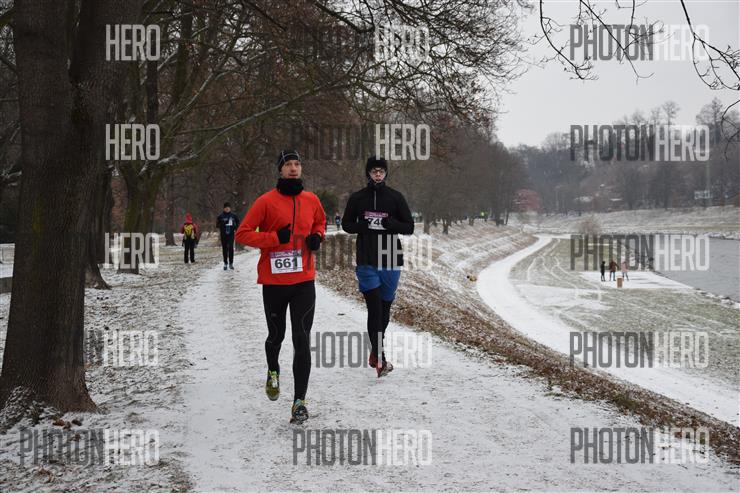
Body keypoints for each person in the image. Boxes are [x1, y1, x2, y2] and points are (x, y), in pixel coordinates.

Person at [235, 150, 326, 424]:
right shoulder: (265, 201)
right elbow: (242, 234)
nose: (293, 168)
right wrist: (275, 238)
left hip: (304, 281)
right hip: (274, 282)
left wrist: (317, 236)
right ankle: (273, 370)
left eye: (297, 164)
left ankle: (299, 402)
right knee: (276, 336)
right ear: (280, 170)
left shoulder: (311, 199)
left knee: (302, 339)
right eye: (288, 164)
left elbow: (320, 221)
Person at [342, 156, 414, 377]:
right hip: (367, 259)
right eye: (374, 171)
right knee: (374, 309)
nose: (378, 174)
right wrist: (361, 226)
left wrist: (391, 224)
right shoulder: (357, 198)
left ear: (386, 173)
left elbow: (409, 226)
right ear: (368, 173)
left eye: (381, 171)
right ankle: (380, 358)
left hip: (391, 258)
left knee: (384, 309)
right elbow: (346, 224)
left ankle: (375, 351)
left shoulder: (395, 197)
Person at [216, 202, 240, 270]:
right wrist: (222, 224)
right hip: (223, 234)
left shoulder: (233, 215)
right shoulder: (220, 216)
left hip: (231, 234)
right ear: (224, 208)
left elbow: (238, 222)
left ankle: (231, 263)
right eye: (226, 208)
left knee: (230, 248)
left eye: (228, 208)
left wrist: (236, 228)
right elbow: (217, 225)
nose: (227, 209)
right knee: (224, 248)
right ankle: (225, 263)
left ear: (230, 208)